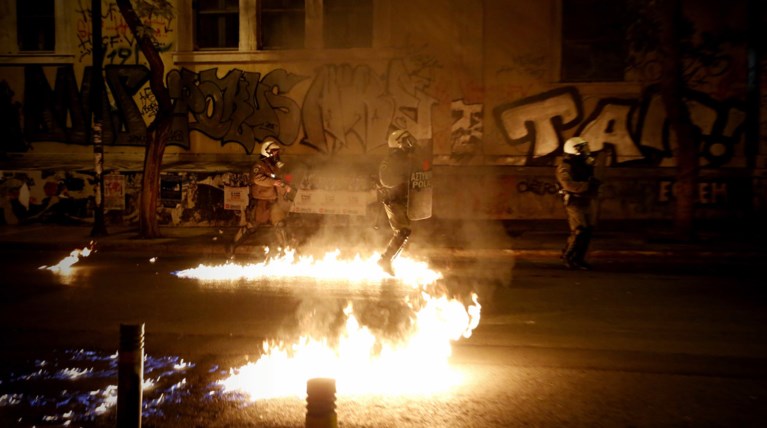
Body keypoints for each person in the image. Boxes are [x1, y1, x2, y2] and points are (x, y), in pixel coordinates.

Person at [228, 136, 292, 256]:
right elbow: (257, 179)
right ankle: (233, 246)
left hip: (273, 201)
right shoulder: (259, 165)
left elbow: (285, 176)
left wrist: (287, 184)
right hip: (261, 201)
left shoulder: (276, 166)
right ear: (266, 152)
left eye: (277, 151)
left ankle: (286, 252)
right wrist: (274, 182)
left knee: (280, 225)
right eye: (274, 151)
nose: (276, 154)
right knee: (252, 227)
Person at [556, 136, 601, 270]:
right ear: (574, 149)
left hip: (586, 199)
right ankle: (569, 257)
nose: (587, 150)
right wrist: (587, 186)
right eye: (583, 147)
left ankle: (579, 258)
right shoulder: (565, 166)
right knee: (579, 230)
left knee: (587, 230)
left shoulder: (584, 163)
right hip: (574, 200)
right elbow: (567, 184)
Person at [377, 129, 417, 276]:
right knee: (403, 231)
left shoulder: (396, 158)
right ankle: (385, 260)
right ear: (398, 143)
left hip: (395, 199)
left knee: (403, 231)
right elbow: (388, 180)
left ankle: (386, 260)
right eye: (406, 141)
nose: (409, 144)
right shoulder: (398, 159)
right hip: (394, 200)